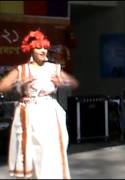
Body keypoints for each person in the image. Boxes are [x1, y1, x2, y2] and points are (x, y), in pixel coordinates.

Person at [0, 30, 79, 179]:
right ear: (31, 49)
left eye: (44, 48)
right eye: (39, 48)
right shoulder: (22, 70)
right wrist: (19, 84)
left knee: (49, 151)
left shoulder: (53, 68)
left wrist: (63, 82)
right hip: (29, 113)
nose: (43, 51)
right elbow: (2, 85)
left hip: (49, 112)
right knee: (29, 153)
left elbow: (74, 83)